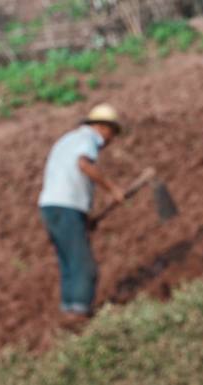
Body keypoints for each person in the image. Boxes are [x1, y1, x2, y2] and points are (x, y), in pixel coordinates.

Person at [38, 103, 126, 318]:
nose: (110, 141)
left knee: (68, 261)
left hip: (50, 206)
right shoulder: (89, 139)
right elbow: (83, 164)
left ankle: (68, 308)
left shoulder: (66, 140)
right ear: (104, 128)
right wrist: (112, 189)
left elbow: (66, 178)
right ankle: (78, 314)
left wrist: (84, 218)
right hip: (67, 206)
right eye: (112, 134)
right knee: (84, 266)